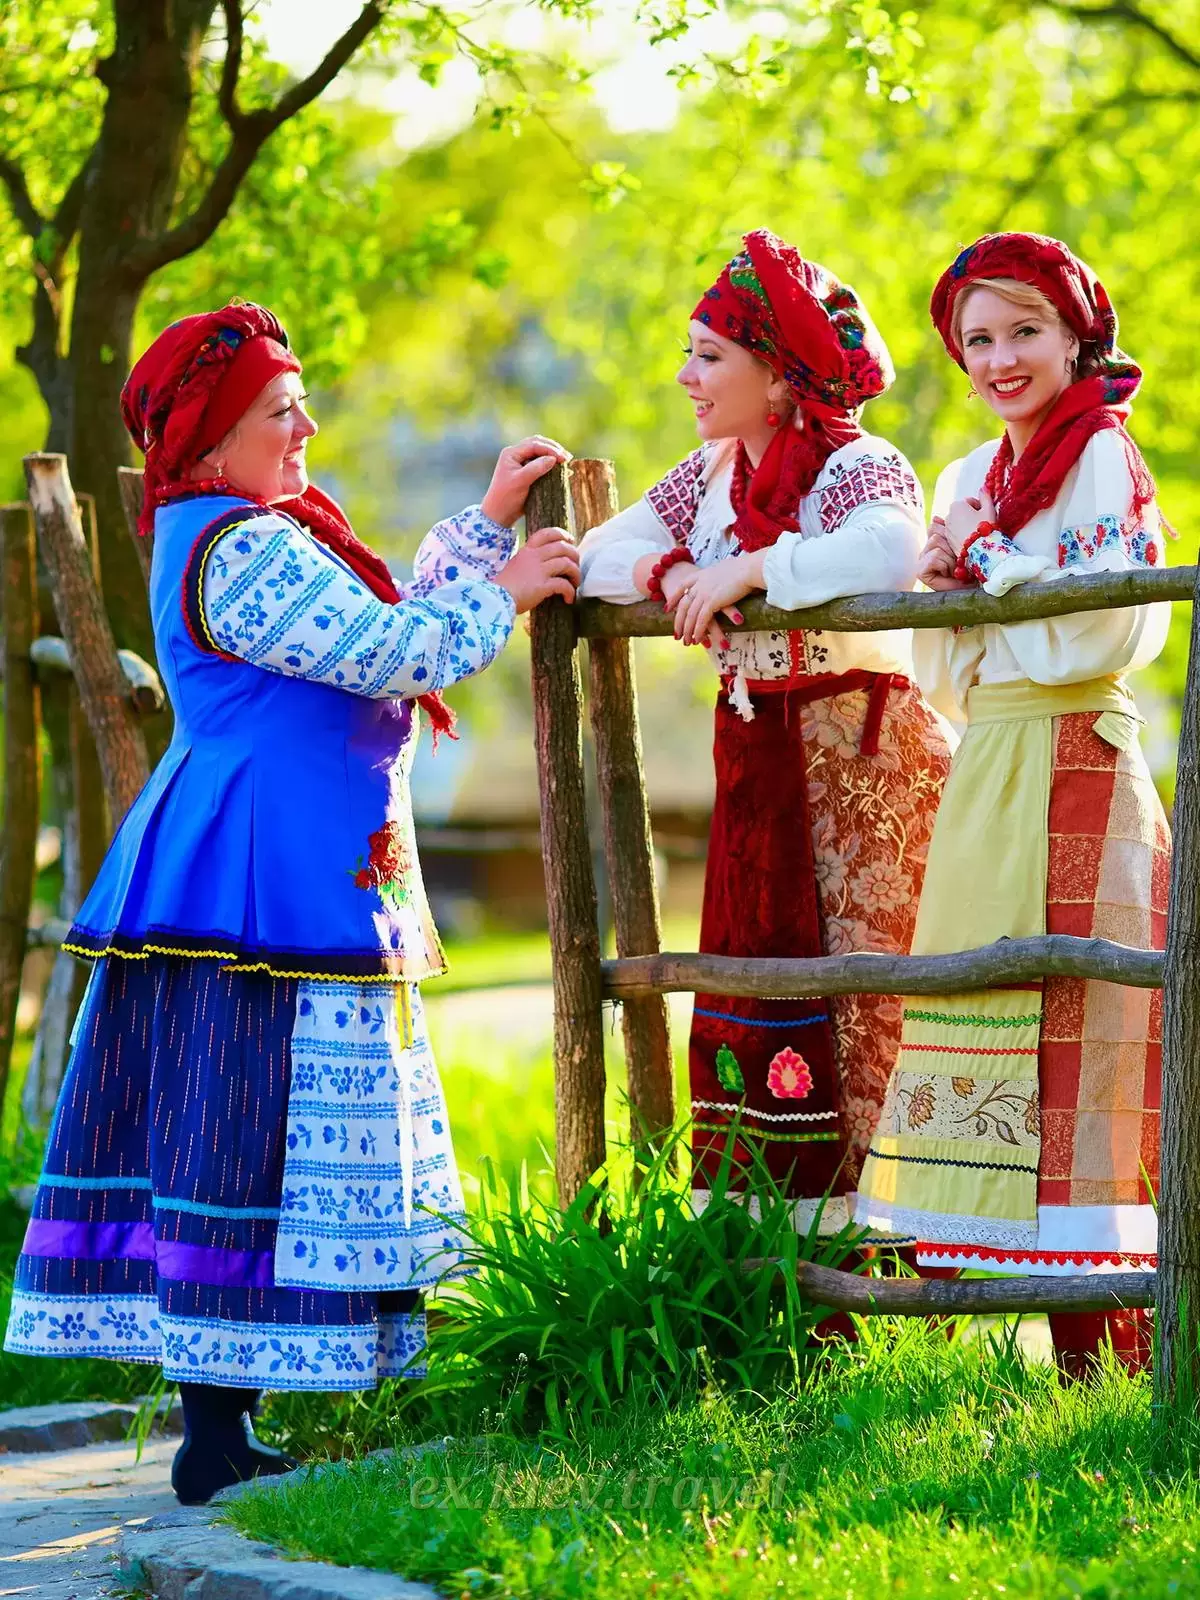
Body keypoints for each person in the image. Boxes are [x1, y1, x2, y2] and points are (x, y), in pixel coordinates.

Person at [3, 302, 579, 1501]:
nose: (307, 424)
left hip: (296, 865)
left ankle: (228, 1426)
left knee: (253, 1121)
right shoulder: (236, 544)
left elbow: (382, 624)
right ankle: (213, 1440)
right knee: (233, 1119)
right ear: (210, 440)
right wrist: (509, 588)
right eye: (280, 409)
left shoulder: (246, 528)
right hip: (251, 880)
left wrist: (482, 528)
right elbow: (390, 653)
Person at [578, 229, 953, 1239]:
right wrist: (666, 576)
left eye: (709, 355)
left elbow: (890, 549)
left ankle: (895, 1260)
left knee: (873, 1006)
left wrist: (751, 570)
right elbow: (591, 557)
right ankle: (763, 1276)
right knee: (760, 988)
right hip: (755, 766)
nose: (685, 375)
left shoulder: (857, 465)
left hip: (859, 768)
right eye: (690, 352)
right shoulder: (709, 477)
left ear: (778, 373)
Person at [855, 233, 1170, 1377]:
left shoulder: (1101, 459)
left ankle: (1112, 1356)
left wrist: (985, 570)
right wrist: (950, 589)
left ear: (1080, 333)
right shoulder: (963, 479)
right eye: (977, 338)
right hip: (989, 761)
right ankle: (957, 1348)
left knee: (1084, 1027)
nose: (1000, 357)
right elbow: (955, 667)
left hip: (1079, 753)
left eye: (1024, 330)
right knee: (976, 1009)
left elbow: (1100, 628)